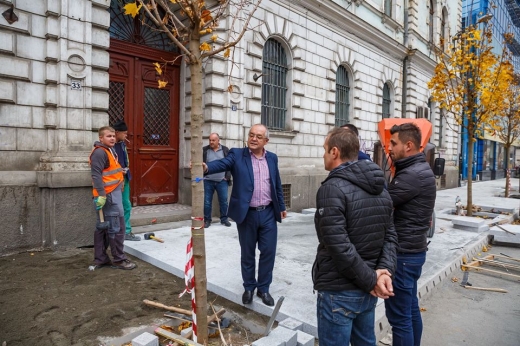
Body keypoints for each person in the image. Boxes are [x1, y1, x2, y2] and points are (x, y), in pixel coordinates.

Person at [313, 127, 397, 345]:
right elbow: (390, 236)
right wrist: (383, 274)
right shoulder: (380, 187)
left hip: (340, 292)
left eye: (324, 149)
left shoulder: (331, 188)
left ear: (334, 152)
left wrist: (376, 278)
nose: (323, 155)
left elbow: (338, 246)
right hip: (368, 288)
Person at [203, 124, 287, 306]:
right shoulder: (237, 154)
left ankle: (263, 289)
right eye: (251, 135)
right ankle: (249, 287)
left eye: (258, 136)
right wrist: (206, 167)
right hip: (247, 214)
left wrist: (281, 205)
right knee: (247, 253)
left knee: (268, 252)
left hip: (268, 213)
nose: (253, 139)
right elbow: (222, 164)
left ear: (266, 140)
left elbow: (276, 183)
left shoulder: (272, 158)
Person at [384, 122, 436, 346]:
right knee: (411, 309)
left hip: (404, 254)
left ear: (408, 145)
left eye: (393, 143)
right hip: (413, 251)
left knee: (400, 318)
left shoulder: (411, 175)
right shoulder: (417, 170)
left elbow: (383, 203)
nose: (389, 148)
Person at [89, 126, 137, 270]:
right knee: (117, 228)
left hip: (112, 194)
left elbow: (108, 172)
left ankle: (101, 259)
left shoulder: (109, 150)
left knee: (104, 228)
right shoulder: (99, 153)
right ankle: (119, 259)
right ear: (101, 138)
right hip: (109, 196)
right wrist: (102, 195)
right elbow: (96, 175)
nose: (112, 138)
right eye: (108, 136)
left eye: (113, 136)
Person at [112, 120, 140, 241]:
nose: (126, 136)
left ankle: (125, 230)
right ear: (117, 132)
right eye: (124, 133)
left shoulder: (122, 144)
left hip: (125, 177)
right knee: (123, 205)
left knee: (126, 205)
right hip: (117, 179)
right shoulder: (111, 146)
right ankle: (123, 231)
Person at [202, 133, 232, 228]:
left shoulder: (225, 150)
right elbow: (201, 164)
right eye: (210, 140)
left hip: (222, 181)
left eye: (213, 140)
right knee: (207, 202)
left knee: (224, 201)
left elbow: (230, 164)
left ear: (218, 140)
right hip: (208, 180)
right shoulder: (205, 150)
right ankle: (207, 220)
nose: (211, 142)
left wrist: (227, 177)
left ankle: (224, 219)